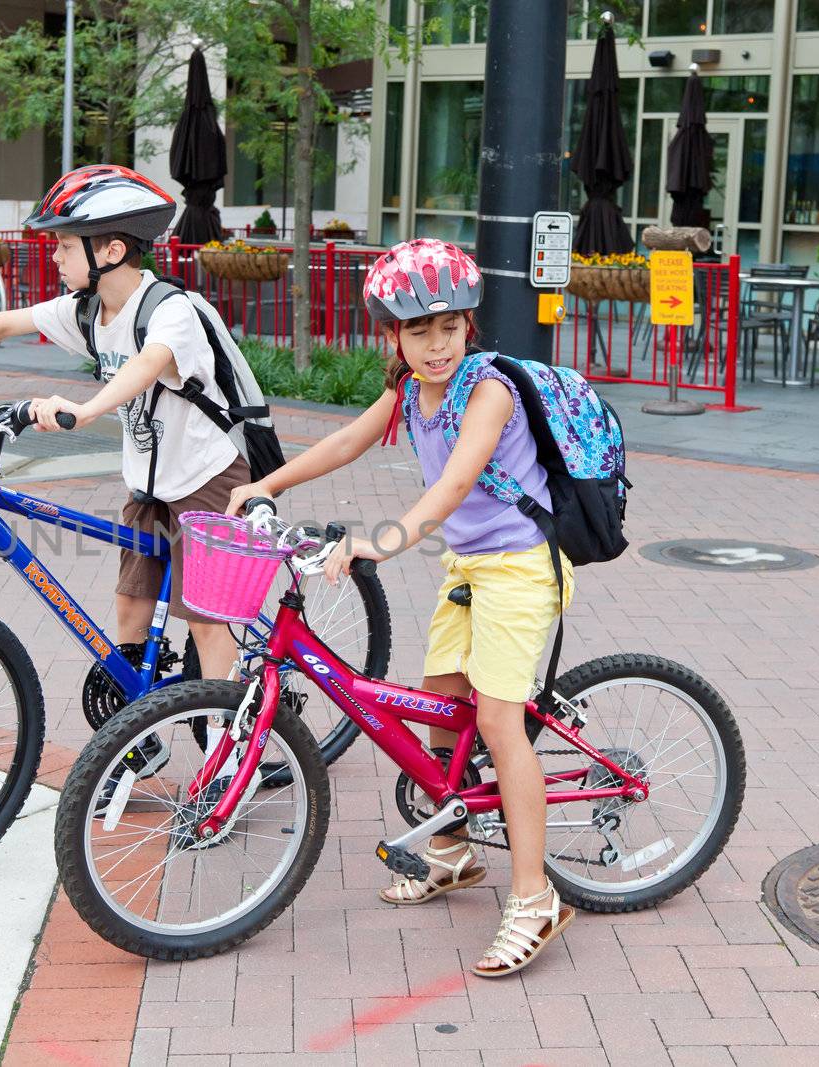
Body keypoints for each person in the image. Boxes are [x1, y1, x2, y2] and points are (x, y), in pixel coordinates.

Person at [226, 238, 575, 978]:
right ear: (395, 336)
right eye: (420, 331)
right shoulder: (409, 388)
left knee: (496, 719)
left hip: (519, 569)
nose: (437, 344)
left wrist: (379, 540)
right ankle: (450, 853)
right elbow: (349, 440)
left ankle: (535, 895)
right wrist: (270, 485)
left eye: (449, 326)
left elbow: (451, 487)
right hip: (470, 568)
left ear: (468, 325)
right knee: (437, 708)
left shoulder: (489, 389)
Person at [0, 164, 247, 683]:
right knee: (131, 606)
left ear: (111, 251)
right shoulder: (89, 311)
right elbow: (6, 322)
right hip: (150, 485)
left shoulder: (169, 311)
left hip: (209, 479)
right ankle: (139, 720)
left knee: (207, 625)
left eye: (66, 245)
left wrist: (86, 410)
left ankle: (227, 749)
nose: (54, 256)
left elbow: (147, 365)